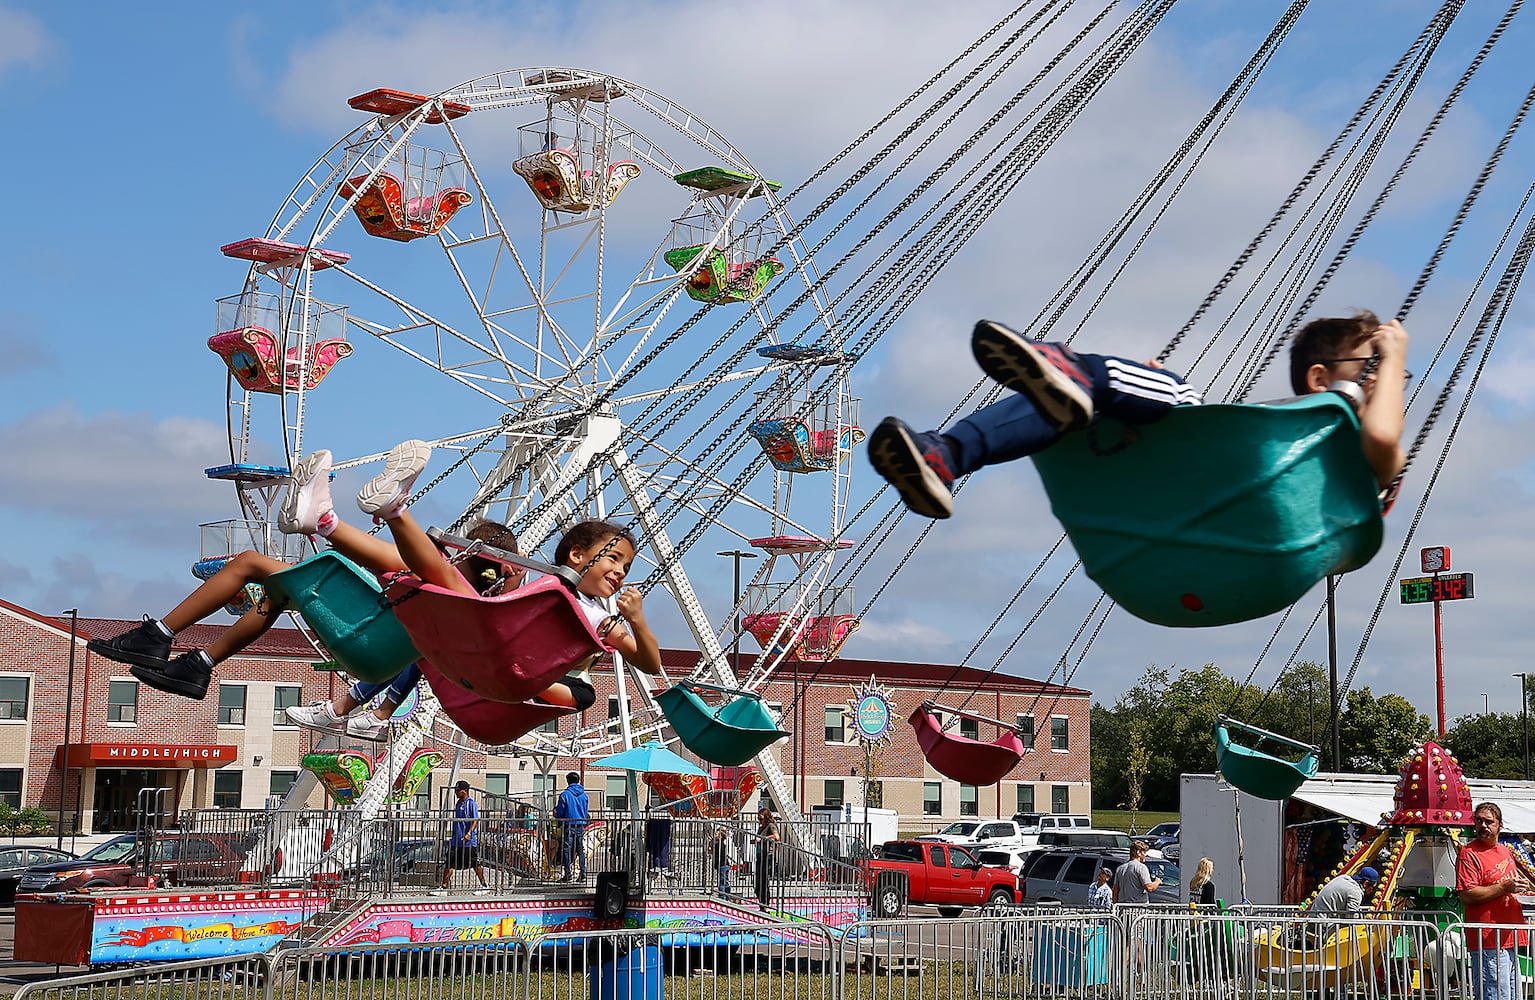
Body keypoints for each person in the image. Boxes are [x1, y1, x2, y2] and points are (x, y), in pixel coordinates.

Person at [85, 443, 529, 706]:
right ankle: (198, 665)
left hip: (371, 638)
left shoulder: (455, 589)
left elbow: (407, 567)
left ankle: (161, 634)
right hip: (377, 651)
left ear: (475, 556)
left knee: (249, 563)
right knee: (276, 590)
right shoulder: (474, 605)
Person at [868, 314, 1409, 519]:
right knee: (1082, 401)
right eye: (1375, 367)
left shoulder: (1368, 463)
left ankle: (1090, 376)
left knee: (1160, 394)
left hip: (1229, 496)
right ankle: (947, 455)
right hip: (1204, 495)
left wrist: (1395, 353)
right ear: (1320, 377)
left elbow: (1383, 430)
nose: (1386, 378)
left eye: (1383, 371)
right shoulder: (1294, 431)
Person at [1457, 802, 1530, 1000]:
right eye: (1479, 821)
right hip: (1488, 938)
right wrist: (1504, 887)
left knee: (1512, 995)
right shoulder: (1468, 854)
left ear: (1499, 825)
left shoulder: (1505, 851)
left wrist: (1521, 893)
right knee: (1496, 995)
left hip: (1510, 935)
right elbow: (1467, 894)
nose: (1483, 826)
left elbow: (1509, 887)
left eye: (1489, 821)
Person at [437, 780, 489, 894]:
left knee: (475, 863)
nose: (456, 793)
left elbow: (475, 820)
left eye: (457, 791)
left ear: (464, 791)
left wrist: (469, 833)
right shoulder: (458, 803)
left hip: (469, 842)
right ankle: (444, 887)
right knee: (449, 862)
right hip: (457, 840)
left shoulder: (471, 803)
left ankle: (484, 885)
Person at [554, 772, 590, 882]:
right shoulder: (584, 795)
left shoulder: (565, 795)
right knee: (580, 850)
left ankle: (568, 874)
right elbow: (585, 811)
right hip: (581, 824)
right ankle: (583, 873)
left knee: (566, 850)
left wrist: (557, 816)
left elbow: (560, 812)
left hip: (568, 825)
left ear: (568, 781)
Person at [1311, 866, 1378, 918]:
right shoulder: (1355, 892)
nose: (1372, 890)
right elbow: (1351, 919)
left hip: (1314, 917)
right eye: (1373, 887)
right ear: (1366, 883)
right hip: (1323, 924)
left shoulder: (1343, 877)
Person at [755, 807, 781, 909]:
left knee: (764, 881)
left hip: (768, 856)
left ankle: (765, 905)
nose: (760, 821)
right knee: (758, 884)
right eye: (758, 819)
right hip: (760, 855)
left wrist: (762, 839)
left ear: (766, 817)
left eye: (761, 819)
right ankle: (762, 903)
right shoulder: (761, 827)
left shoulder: (771, 826)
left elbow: (776, 837)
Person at [712, 826, 734, 897]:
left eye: (716, 834)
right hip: (723, 865)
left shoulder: (720, 844)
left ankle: (722, 896)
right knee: (725, 881)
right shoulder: (720, 844)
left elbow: (718, 854)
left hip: (722, 864)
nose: (715, 835)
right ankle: (727, 896)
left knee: (722, 882)